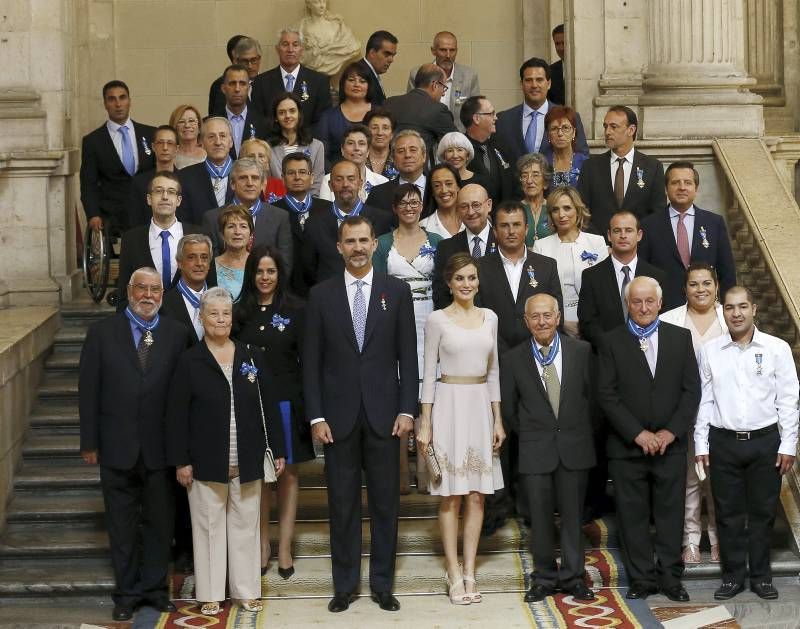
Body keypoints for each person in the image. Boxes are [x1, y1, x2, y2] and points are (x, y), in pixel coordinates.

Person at [304, 216, 418, 613]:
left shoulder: (397, 292)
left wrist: (408, 409)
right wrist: (316, 416)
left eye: (363, 240)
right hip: (337, 420)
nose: (356, 247)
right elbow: (311, 364)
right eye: (349, 241)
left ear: (375, 245)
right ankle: (345, 585)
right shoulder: (320, 295)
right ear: (339, 247)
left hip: (386, 417)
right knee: (342, 504)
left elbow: (409, 356)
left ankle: (382, 585)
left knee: (387, 503)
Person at [167, 287, 286, 617]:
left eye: (226, 314)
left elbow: (270, 407)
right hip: (204, 462)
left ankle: (246, 591)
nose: (220, 319)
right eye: (214, 314)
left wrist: (276, 448)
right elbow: (176, 415)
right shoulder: (190, 360)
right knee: (207, 529)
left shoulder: (251, 355)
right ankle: (210, 593)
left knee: (246, 528)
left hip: (247, 458)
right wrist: (181, 460)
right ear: (201, 318)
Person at [79, 267, 190, 621]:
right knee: (122, 525)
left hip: (161, 450)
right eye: (140, 288)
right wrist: (89, 441)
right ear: (128, 291)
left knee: (160, 523)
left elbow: (182, 398)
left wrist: (183, 449)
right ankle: (126, 593)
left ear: (162, 294)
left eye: (154, 289)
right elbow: (88, 391)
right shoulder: (101, 334)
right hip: (116, 446)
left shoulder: (177, 334)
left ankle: (156, 590)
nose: (148, 295)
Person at [598, 276, 700, 602]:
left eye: (649, 301)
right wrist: (637, 433)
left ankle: (671, 578)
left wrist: (671, 431)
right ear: (628, 304)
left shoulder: (680, 338)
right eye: (636, 302)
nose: (643, 308)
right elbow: (606, 394)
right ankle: (641, 579)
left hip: (671, 446)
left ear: (659, 303)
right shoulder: (611, 341)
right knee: (632, 516)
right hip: (628, 448)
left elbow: (691, 391)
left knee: (671, 515)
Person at [695, 286, 799, 601]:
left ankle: (762, 578)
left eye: (742, 306)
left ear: (754, 308)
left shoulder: (776, 348)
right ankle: (733, 578)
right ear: (722, 311)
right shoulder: (710, 350)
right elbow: (704, 400)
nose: (736, 313)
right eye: (729, 307)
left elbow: (790, 399)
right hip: (723, 443)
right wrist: (701, 443)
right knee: (727, 513)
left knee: (763, 512)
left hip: (766, 442)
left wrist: (789, 444)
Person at [416, 252, 505, 604]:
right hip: (449, 405)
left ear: (478, 281)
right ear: (449, 284)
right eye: (460, 279)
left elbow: (494, 370)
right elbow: (428, 374)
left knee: (477, 494)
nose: (467, 284)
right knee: (450, 494)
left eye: (471, 278)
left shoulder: (490, 318)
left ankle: (470, 570)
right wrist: (425, 423)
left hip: (480, 405)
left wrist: (498, 418)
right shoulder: (437, 320)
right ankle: (452, 571)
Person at [501, 293, 595, 603]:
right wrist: (533, 433)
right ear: (526, 321)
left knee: (572, 516)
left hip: (573, 446)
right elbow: (510, 410)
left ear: (557, 318)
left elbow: (592, 401)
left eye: (547, 315)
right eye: (535, 316)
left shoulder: (581, 351)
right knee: (539, 519)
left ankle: (573, 577)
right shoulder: (514, 358)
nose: (542, 321)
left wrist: (575, 432)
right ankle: (543, 578)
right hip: (534, 447)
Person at [475, 200, 562, 534]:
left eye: (516, 225)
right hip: (491, 364)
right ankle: (497, 508)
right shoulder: (480, 267)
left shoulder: (546, 265)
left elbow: (556, 317)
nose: (510, 231)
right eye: (504, 226)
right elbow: (475, 316)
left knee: (531, 435)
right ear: (494, 231)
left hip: (534, 364)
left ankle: (530, 508)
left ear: (527, 228)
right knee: (496, 438)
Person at [577, 211, 666, 522]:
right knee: (602, 434)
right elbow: (588, 323)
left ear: (639, 235)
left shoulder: (657, 275)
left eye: (629, 230)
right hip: (607, 368)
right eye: (617, 230)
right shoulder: (593, 275)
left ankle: (653, 507)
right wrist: (620, 347)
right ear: (609, 236)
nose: (623, 236)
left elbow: (664, 322)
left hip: (651, 369)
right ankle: (595, 503)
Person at [234, 245, 315, 580]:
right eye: (259, 271)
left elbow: (309, 361)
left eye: (271, 271)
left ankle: (284, 547)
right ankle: (262, 545)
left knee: (288, 476)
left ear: (279, 274)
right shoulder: (240, 312)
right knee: (261, 478)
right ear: (250, 275)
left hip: (287, 403)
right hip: (253, 405)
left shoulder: (297, 308)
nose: (264, 277)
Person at [373, 184, 443, 494]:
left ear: (422, 205)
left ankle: (429, 470)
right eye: (403, 202)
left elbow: (444, 283)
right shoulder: (384, 243)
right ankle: (400, 471)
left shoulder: (438, 241)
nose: (410, 207)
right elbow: (377, 287)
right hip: (395, 320)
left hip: (431, 318)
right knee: (399, 394)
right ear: (395, 208)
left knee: (430, 394)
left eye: (415, 201)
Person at [660, 263, 727, 565]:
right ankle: (690, 541)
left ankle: (718, 538)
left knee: (717, 478)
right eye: (694, 284)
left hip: (722, 413)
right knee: (689, 477)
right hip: (683, 410)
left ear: (717, 286)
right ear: (684, 288)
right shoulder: (670, 319)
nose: (701, 289)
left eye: (706, 283)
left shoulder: (732, 317)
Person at [639, 160, 736, 310]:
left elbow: (727, 273)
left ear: (696, 188)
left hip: (707, 310)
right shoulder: (649, 225)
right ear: (666, 189)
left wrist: (728, 308)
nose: (682, 187)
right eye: (675, 182)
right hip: (664, 311)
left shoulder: (714, 223)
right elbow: (642, 273)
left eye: (688, 183)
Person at [116, 171, 201, 312]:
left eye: (171, 192)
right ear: (149, 199)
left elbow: (209, 286)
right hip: (145, 322)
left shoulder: (198, 235)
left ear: (179, 200)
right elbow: (124, 293)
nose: (165, 197)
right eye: (158, 191)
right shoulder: (131, 239)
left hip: (190, 324)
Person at [577, 106, 666, 238]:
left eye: (614, 127)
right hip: (600, 248)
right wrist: (600, 244)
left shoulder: (652, 167)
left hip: (639, 248)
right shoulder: (591, 166)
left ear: (631, 130)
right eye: (605, 126)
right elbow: (582, 211)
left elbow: (657, 213)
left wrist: (637, 240)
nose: (607, 132)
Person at [80, 80, 156, 234]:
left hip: (149, 208)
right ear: (105, 104)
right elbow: (89, 183)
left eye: (122, 97)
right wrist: (93, 214)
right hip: (112, 213)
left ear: (129, 101)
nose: (118, 104)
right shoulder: (93, 141)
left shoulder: (150, 134)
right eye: (112, 99)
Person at [533, 186, 608, 336]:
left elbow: (604, 289)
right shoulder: (541, 246)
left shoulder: (597, 242)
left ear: (578, 210)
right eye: (555, 210)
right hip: (554, 324)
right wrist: (561, 323)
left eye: (567, 208)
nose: (561, 215)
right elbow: (540, 293)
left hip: (595, 322)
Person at [303, 160, 392, 284]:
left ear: (360, 183)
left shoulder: (382, 220)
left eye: (351, 179)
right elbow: (309, 270)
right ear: (330, 185)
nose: (345, 184)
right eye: (339, 179)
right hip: (331, 298)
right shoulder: (314, 224)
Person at [495, 57, 589, 167]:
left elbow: (582, 156)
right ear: (521, 84)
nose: (534, 85)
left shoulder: (568, 117)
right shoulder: (503, 120)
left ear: (548, 84)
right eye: (529, 80)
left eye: (539, 80)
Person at [202, 158, 293, 270]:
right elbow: (210, 266)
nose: (250, 183)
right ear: (232, 184)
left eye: (255, 178)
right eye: (243, 178)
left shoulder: (280, 217)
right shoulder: (212, 218)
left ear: (263, 184)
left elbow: (285, 264)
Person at [272, 152, 330, 296]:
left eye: (303, 172)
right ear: (283, 179)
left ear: (311, 178)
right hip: (285, 291)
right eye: (291, 173)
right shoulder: (272, 211)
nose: (297, 177)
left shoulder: (328, 209)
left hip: (322, 288)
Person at [432, 183, 497, 310]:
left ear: (489, 205)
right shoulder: (446, 247)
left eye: (476, 205)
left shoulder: (503, 242)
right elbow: (441, 295)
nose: (471, 212)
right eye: (464, 207)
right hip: (458, 323)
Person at [253, 28, 332, 129]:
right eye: (285, 44)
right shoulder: (261, 82)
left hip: (307, 142)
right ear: (277, 49)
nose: (290, 50)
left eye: (295, 45)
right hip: (272, 142)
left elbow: (322, 121)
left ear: (301, 49)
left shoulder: (319, 81)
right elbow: (259, 119)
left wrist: (303, 141)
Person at [407, 31, 481, 132]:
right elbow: (411, 110)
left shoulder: (469, 76)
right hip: (426, 137)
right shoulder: (417, 74)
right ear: (433, 51)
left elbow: (475, 112)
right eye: (443, 50)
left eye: (452, 50)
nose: (448, 55)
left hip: (458, 139)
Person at [384, 64, 456, 164]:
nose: (443, 93)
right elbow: (456, 143)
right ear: (434, 85)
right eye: (443, 88)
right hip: (417, 173)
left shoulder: (389, 102)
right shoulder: (438, 109)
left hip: (385, 170)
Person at [177, 117, 235, 225]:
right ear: (202, 143)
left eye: (222, 136)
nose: (218, 142)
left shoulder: (247, 174)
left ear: (231, 141)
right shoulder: (185, 177)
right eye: (211, 137)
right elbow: (183, 222)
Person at [315, 62, 374, 166]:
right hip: (337, 175)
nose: (356, 84)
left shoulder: (378, 114)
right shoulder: (328, 117)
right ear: (343, 84)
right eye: (351, 80)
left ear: (369, 86)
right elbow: (321, 154)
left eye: (362, 81)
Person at [159, 233, 215, 344]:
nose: (199, 263)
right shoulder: (163, 305)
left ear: (209, 263)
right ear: (179, 263)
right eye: (191, 257)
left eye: (204, 257)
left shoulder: (220, 300)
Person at [267, 92, 325, 196]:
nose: (287, 116)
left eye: (292, 111)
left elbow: (316, 184)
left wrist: (304, 205)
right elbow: (267, 181)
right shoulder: (267, 147)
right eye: (282, 112)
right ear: (276, 117)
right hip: (277, 205)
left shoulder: (317, 146)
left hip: (308, 205)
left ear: (299, 114)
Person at [127, 125, 181, 228]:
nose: (165, 148)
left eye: (170, 143)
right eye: (160, 143)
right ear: (153, 146)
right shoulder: (139, 182)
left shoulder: (186, 180)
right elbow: (134, 219)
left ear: (177, 148)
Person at [461, 95, 512, 204]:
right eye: (491, 114)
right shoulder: (460, 151)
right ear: (477, 118)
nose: (496, 118)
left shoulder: (500, 146)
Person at [318, 125, 388, 201]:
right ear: (342, 150)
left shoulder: (382, 182)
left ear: (368, 151)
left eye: (361, 143)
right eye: (350, 143)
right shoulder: (328, 179)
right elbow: (326, 210)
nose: (356, 148)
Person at [366, 130, 429, 211]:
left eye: (413, 150)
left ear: (424, 156)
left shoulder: (436, 188)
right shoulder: (378, 194)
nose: (407, 155)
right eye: (401, 151)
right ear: (393, 158)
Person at [295, 0, 361, 77]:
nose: (322, 6)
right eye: (317, 2)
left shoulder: (336, 26)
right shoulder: (301, 28)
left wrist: (326, 50)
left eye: (324, 1)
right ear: (308, 4)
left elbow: (354, 46)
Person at [220, 64, 270, 160]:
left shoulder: (263, 124)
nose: (237, 89)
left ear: (249, 88)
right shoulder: (212, 122)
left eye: (242, 83)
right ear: (223, 88)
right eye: (232, 83)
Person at [209, 36, 263, 116]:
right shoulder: (220, 85)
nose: (250, 65)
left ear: (259, 59)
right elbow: (216, 118)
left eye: (253, 60)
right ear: (236, 61)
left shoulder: (269, 82)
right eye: (245, 61)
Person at [214, 204, 253, 301]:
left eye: (243, 226)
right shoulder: (211, 266)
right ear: (222, 234)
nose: (237, 232)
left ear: (250, 233)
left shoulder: (259, 264)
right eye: (231, 226)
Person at [544, 106, 587, 187]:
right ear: (548, 135)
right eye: (554, 128)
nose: (560, 133)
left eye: (565, 128)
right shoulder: (542, 164)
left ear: (574, 132)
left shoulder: (586, 164)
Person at [517, 153, 553, 246]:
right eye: (524, 176)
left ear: (545, 182)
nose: (529, 181)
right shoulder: (515, 210)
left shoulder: (554, 208)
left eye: (535, 175)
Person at [420, 163, 463, 239]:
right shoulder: (424, 226)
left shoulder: (473, 217)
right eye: (437, 186)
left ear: (458, 186)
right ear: (432, 191)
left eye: (449, 184)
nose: (444, 190)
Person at [208, 35, 247, 116]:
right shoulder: (218, 85)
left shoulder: (265, 82)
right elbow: (215, 117)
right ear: (235, 57)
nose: (237, 89)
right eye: (245, 59)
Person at [357, 30, 399, 106]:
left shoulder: (369, 71)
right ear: (372, 53)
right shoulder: (360, 75)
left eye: (393, 55)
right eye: (387, 54)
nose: (391, 60)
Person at [240, 137, 287, 203]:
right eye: (251, 156)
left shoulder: (281, 185)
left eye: (261, 156)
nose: (257, 160)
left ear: (268, 162)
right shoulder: (238, 186)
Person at [365, 108, 398, 179]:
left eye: (385, 128)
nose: (380, 133)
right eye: (374, 128)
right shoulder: (358, 159)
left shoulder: (400, 159)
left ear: (392, 134)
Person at [549, 25, 566, 105]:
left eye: (564, 43)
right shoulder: (550, 71)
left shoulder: (587, 70)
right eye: (557, 44)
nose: (561, 48)